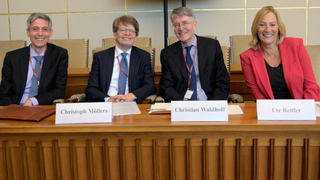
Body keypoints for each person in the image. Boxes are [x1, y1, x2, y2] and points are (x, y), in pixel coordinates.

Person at [240, 6, 320, 101]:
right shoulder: (247, 58)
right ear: (256, 29)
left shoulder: (296, 46)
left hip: (301, 109)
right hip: (271, 111)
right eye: (262, 25)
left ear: (278, 28)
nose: (267, 29)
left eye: (272, 24)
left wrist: (307, 110)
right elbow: (258, 96)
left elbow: (310, 84)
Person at [159, 7, 230, 102]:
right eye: (176, 25)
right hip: (181, 106)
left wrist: (210, 106)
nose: (180, 28)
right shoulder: (167, 54)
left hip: (209, 103)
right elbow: (166, 88)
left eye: (185, 23)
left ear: (194, 25)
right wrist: (182, 106)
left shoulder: (212, 47)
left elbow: (222, 82)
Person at [0, 13, 68, 106]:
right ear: (28, 32)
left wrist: (33, 101)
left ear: (50, 33)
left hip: (42, 107)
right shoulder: (12, 57)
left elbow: (59, 91)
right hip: (16, 107)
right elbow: (4, 94)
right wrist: (13, 110)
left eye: (45, 29)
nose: (40, 34)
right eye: (35, 29)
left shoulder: (59, 55)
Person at [85, 15, 155, 103]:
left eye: (132, 31)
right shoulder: (100, 57)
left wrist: (131, 96)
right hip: (107, 105)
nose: (127, 33)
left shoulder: (143, 57)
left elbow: (149, 86)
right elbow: (91, 89)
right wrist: (109, 100)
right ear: (115, 35)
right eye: (123, 30)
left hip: (132, 104)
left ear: (135, 37)